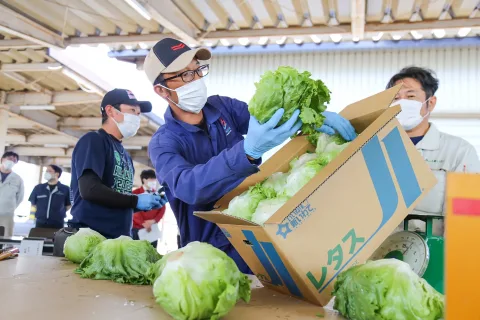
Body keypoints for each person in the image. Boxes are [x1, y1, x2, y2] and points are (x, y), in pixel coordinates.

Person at [144, 38, 356, 273]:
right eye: (185, 76)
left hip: (253, 234)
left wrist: (312, 115)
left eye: (197, 70)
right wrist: (247, 152)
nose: (195, 80)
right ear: (161, 90)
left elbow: (269, 118)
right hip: (207, 254)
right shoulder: (163, 142)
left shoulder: (222, 107)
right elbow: (189, 186)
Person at [387, 66, 480, 235]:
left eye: (410, 96)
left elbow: (466, 218)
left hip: (435, 252)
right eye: (395, 98)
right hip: (381, 255)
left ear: (431, 102)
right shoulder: (378, 148)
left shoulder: (460, 152)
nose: (401, 103)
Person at [69, 89, 168, 239]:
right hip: (91, 237)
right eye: (132, 110)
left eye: (138, 113)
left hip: (118, 239)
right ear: (110, 111)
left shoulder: (125, 155)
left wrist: (144, 204)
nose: (137, 117)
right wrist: (135, 200)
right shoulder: (94, 141)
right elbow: (90, 189)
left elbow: (114, 201)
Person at [28, 165, 71, 229]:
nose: (47, 173)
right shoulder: (38, 188)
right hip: (40, 222)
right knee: (38, 238)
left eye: (49, 171)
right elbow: (33, 204)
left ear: (57, 174)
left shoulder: (65, 189)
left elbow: (68, 205)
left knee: (56, 239)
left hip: (57, 222)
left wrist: (58, 212)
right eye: (46, 171)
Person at [131, 169, 166, 248]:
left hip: (152, 228)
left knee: (152, 252)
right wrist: (143, 223)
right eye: (151, 179)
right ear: (144, 180)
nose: (153, 181)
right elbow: (133, 210)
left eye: (154, 179)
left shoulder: (157, 193)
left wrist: (153, 220)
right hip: (137, 229)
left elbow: (162, 208)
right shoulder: (135, 193)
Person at [0, 152, 24, 237]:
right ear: (2, 159)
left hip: (7, 214)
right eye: (10, 159)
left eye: (14, 161)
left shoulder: (17, 179)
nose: (12, 162)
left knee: (5, 238)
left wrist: (10, 206)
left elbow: (20, 197)